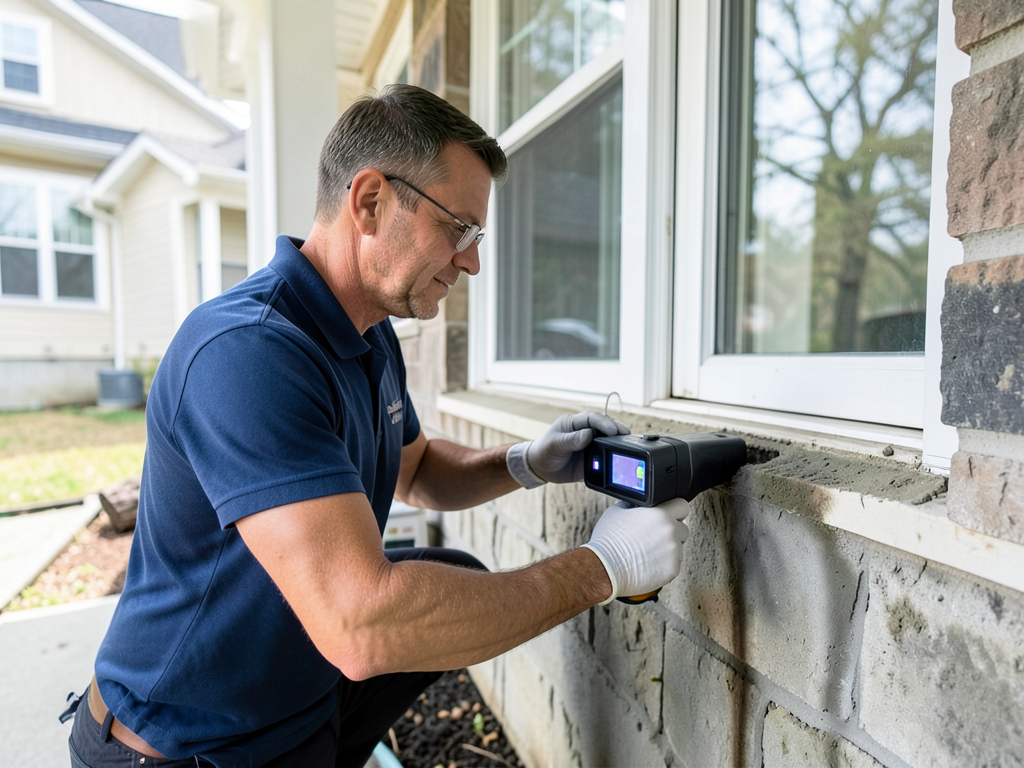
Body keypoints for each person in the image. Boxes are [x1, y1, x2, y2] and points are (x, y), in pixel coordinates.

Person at [65, 84, 690, 768]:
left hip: (292, 710)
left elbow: (416, 470)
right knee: (397, 614)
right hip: (185, 746)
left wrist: (525, 463)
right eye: (461, 229)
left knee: (452, 574)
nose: (473, 260)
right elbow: (361, 624)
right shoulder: (247, 353)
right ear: (369, 202)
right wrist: (603, 568)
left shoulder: (370, 333)